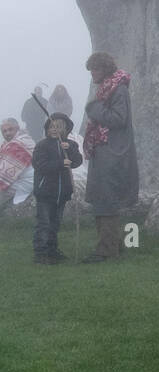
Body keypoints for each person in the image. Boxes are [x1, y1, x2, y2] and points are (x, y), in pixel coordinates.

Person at [81, 52, 139, 262]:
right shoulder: (108, 88)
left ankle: (106, 251)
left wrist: (94, 109)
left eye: (95, 69)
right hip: (105, 149)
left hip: (113, 151)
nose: (92, 74)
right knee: (102, 199)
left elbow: (118, 119)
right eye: (91, 70)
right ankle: (109, 246)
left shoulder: (118, 89)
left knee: (107, 200)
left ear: (105, 69)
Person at [32, 113, 83, 263]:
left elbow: (77, 162)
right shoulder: (42, 145)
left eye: (59, 127)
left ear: (66, 130)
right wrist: (60, 163)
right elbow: (40, 165)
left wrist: (71, 151)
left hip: (62, 193)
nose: (54, 129)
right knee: (44, 223)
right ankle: (41, 253)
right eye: (51, 126)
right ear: (47, 129)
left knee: (55, 223)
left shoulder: (71, 145)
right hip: (45, 192)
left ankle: (52, 250)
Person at [0, 118, 35, 213]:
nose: (7, 133)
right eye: (4, 131)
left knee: (2, 188)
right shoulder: (24, 139)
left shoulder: (17, 144)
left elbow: (3, 175)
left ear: (17, 129)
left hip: (28, 182)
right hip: (22, 179)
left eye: (10, 129)